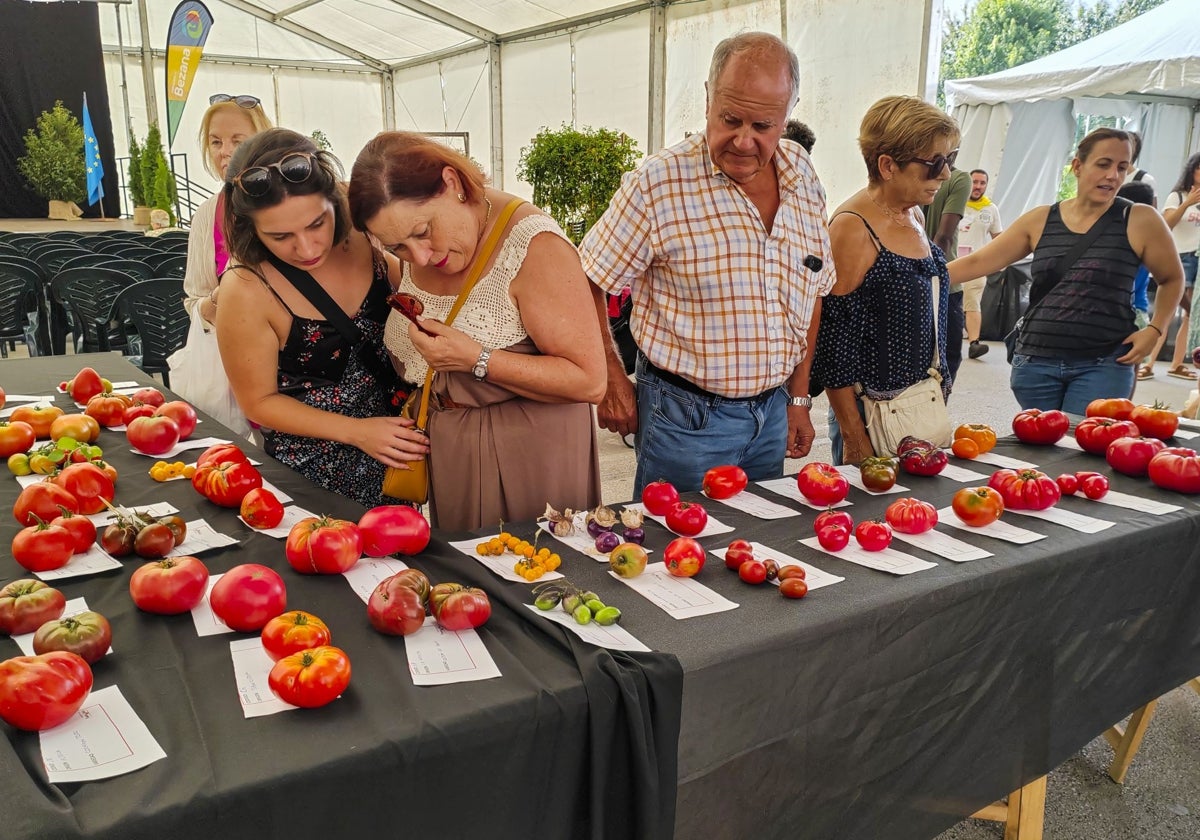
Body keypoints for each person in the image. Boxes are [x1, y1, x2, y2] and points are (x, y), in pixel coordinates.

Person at [580, 32, 836, 496]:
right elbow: (586, 281)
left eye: (763, 126)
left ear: (787, 115)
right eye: (730, 118)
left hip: (772, 413)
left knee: (755, 547)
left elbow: (813, 290)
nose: (742, 140)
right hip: (684, 419)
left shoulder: (802, 173)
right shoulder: (657, 183)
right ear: (707, 98)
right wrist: (612, 379)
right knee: (674, 554)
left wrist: (798, 399)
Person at [347, 131, 605, 531]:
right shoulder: (415, 251)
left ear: (452, 184)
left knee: (536, 579)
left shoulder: (533, 245)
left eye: (422, 231)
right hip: (453, 455)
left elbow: (589, 382)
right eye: (397, 247)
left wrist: (477, 359)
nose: (420, 257)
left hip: (529, 453)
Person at [216, 129, 419, 508]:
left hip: (406, 459)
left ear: (335, 201)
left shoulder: (361, 235)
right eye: (280, 236)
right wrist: (357, 432)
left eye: (316, 224)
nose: (307, 248)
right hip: (316, 476)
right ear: (250, 229)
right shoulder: (246, 288)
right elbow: (258, 402)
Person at [949, 128, 1183, 415]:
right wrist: (922, 274)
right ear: (1077, 166)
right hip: (1035, 362)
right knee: (1039, 451)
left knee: (1083, 448)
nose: (1113, 175)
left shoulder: (1139, 219)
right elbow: (978, 262)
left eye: (1122, 167)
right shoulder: (1041, 219)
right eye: (1103, 164)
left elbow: (1172, 278)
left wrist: (1156, 329)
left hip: (1103, 362)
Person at [812, 95, 957, 465]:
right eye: (935, 162)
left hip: (916, 403)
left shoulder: (912, 215)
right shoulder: (853, 228)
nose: (945, 173)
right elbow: (833, 345)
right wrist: (853, 435)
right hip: (872, 414)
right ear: (888, 165)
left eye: (950, 159)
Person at [183, 94, 272, 322]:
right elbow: (194, 305)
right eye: (215, 142)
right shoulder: (207, 215)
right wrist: (225, 294)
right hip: (236, 348)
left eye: (237, 141)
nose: (224, 151)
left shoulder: (292, 203)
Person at [1141, 152, 1200, 381]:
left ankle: (1177, 364)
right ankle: (1149, 362)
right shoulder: (1177, 196)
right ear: (1191, 171)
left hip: (1198, 257)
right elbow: (1166, 224)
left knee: (1190, 313)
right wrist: (1187, 203)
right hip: (1179, 255)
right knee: (1168, 308)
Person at [924, 164, 970, 381]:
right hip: (943, 283)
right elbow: (944, 236)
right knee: (947, 358)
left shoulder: (911, 175)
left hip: (911, 279)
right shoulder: (959, 179)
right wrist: (933, 280)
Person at [956, 168, 1004, 359]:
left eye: (982, 183)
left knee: (973, 302)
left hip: (976, 264)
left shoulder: (991, 209)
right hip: (951, 261)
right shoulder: (956, 201)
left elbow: (999, 237)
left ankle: (974, 343)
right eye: (975, 182)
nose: (978, 187)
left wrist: (1001, 260)